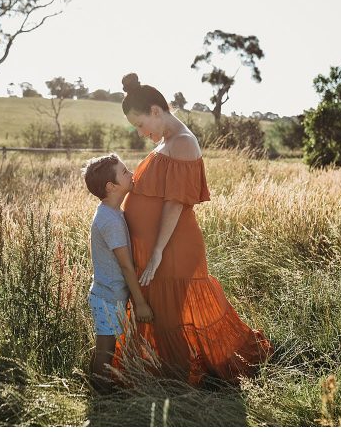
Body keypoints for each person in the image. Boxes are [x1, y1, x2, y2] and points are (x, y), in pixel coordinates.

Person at [112, 72, 272, 385]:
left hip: (171, 247)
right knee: (161, 313)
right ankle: (164, 373)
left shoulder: (183, 142)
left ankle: (177, 378)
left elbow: (176, 203)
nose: (142, 132)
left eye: (141, 124)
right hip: (159, 247)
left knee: (170, 316)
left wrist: (157, 251)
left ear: (156, 112)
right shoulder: (168, 142)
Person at [80, 153, 154, 393]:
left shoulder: (113, 213)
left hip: (110, 295)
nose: (131, 174)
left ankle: (98, 387)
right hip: (107, 297)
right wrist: (140, 303)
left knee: (107, 345)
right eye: (124, 172)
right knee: (105, 348)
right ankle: (100, 395)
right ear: (111, 187)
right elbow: (125, 266)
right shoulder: (109, 220)